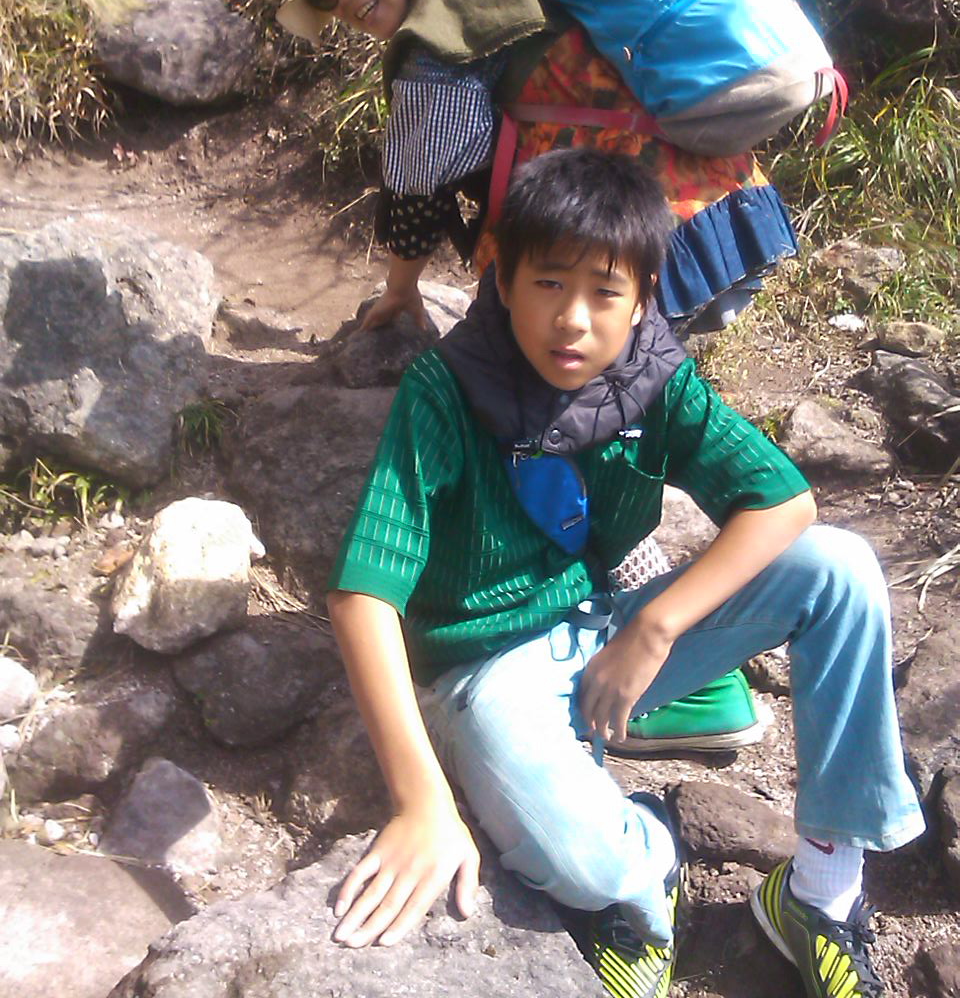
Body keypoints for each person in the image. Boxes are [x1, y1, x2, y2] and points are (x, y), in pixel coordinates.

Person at [326, 148, 924, 998]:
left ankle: (820, 890)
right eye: (548, 283)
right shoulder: (444, 390)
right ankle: (648, 869)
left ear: (643, 298)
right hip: (481, 671)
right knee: (586, 861)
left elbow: (785, 503)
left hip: (605, 631)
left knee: (841, 566)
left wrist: (655, 624)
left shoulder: (653, 380)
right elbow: (363, 598)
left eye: (605, 292)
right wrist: (421, 801)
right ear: (502, 279)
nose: (573, 319)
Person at [278, 0, 798, 755]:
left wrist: (402, 286)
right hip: (708, 212)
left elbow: (421, 174)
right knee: (611, 412)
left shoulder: (442, 28)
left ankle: (679, 678)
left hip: (633, 238)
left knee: (571, 422)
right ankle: (678, 649)